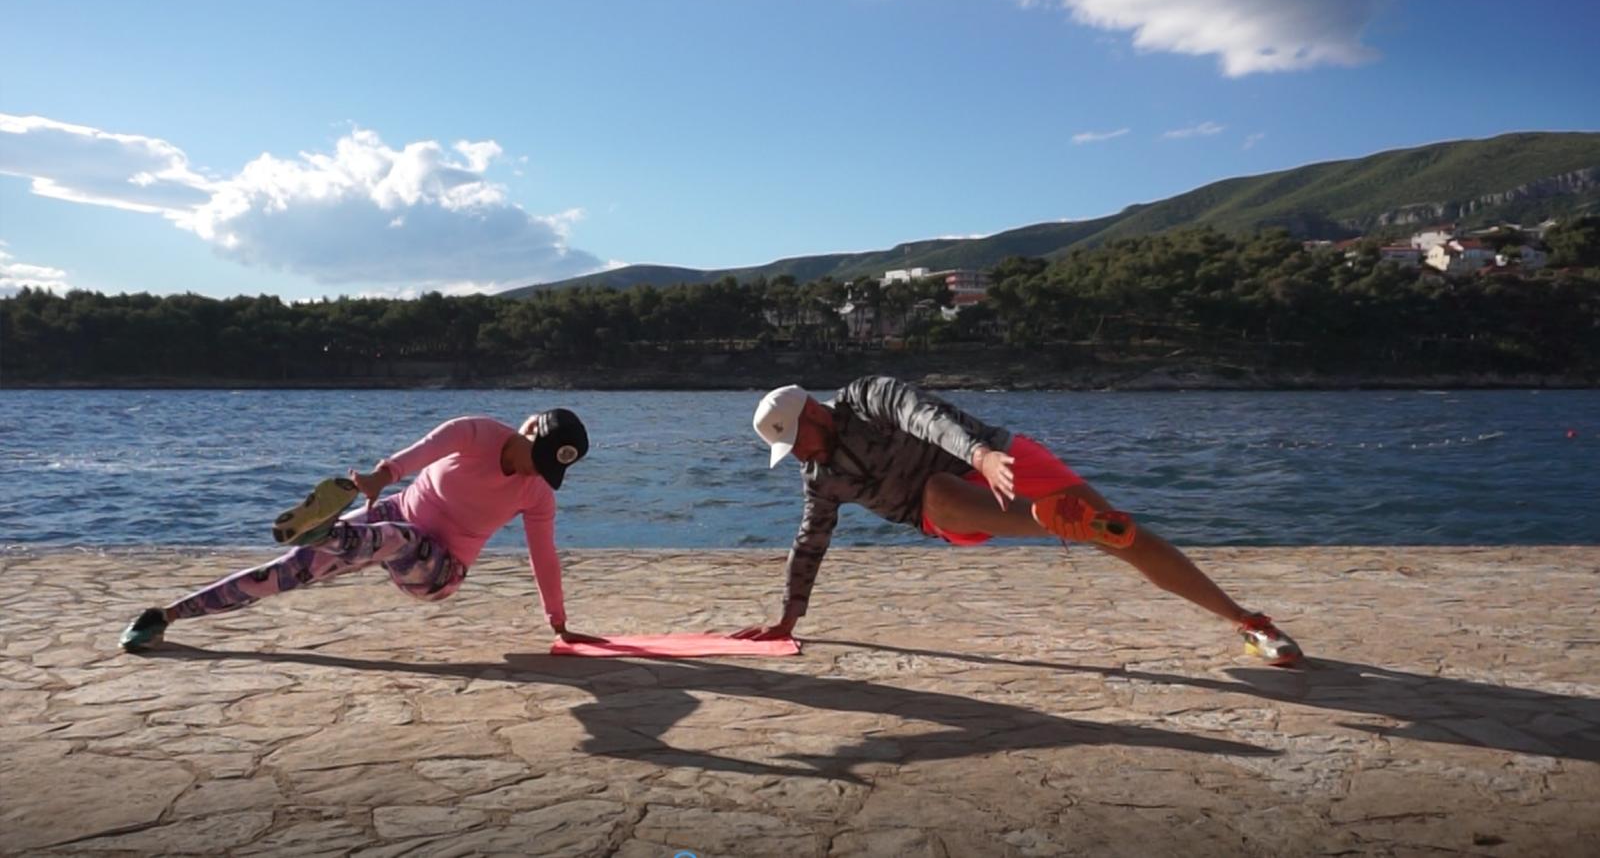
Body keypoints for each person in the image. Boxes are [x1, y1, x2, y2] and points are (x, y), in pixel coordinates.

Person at [732, 377, 1302, 665]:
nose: (801, 457)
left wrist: (980, 454)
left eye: (797, 442)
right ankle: (1061, 523)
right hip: (953, 507)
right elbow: (811, 541)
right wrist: (787, 617)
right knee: (936, 491)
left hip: (995, 455)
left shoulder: (869, 396)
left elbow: (925, 418)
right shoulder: (820, 476)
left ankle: (1249, 622)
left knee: (1121, 532)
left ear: (811, 411)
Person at [119, 410, 601, 650]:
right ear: (530, 428)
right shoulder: (474, 434)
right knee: (286, 571)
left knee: (395, 538)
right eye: (537, 460)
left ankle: (323, 532)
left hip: (440, 570)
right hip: (391, 513)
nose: (537, 473)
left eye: (549, 470)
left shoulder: (536, 494)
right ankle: (165, 618)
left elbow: (545, 557)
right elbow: (418, 453)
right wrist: (377, 477)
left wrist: (557, 622)